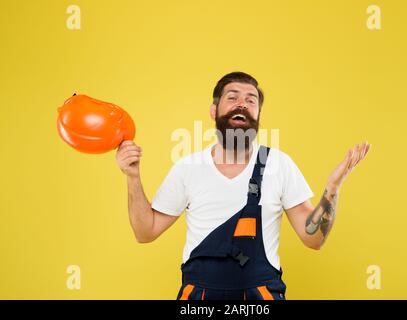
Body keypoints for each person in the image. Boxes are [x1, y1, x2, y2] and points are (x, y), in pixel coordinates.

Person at [115, 71, 371, 300]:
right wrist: (133, 177)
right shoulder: (188, 168)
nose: (242, 104)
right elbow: (145, 232)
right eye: (233, 97)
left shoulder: (279, 165)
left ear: (258, 114)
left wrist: (332, 190)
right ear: (214, 111)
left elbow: (313, 239)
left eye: (251, 100)